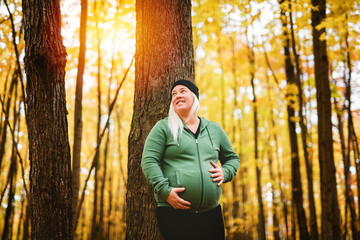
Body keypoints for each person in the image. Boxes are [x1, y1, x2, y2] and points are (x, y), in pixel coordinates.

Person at [141, 79, 240, 240]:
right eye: (173, 94)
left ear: (194, 97)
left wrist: (225, 172)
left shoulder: (214, 129)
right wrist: (165, 191)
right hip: (174, 213)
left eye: (182, 91)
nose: (177, 95)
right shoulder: (163, 127)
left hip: (211, 214)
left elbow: (232, 159)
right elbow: (148, 160)